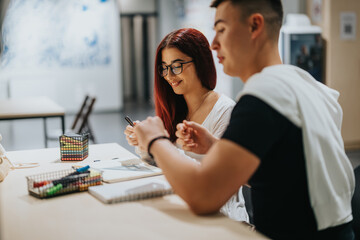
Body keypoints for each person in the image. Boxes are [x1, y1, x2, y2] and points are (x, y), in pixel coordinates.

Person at [133, 0, 356, 239]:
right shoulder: (305, 85)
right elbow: (286, 176)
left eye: (221, 30)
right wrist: (214, 147)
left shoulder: (265, 95)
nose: (214, 44)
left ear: (254, 26)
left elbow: (202, 195)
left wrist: (156, 140)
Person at [124, 28, 248, 222]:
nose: (169, 75)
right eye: (164, 67)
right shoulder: (175, 109)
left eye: (177, 65)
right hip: (183, 208)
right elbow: (165, 169)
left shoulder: (225, 111)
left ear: (200, 62)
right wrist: (146, 145)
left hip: (222, 219)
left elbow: (210, 183)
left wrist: (160, 144)